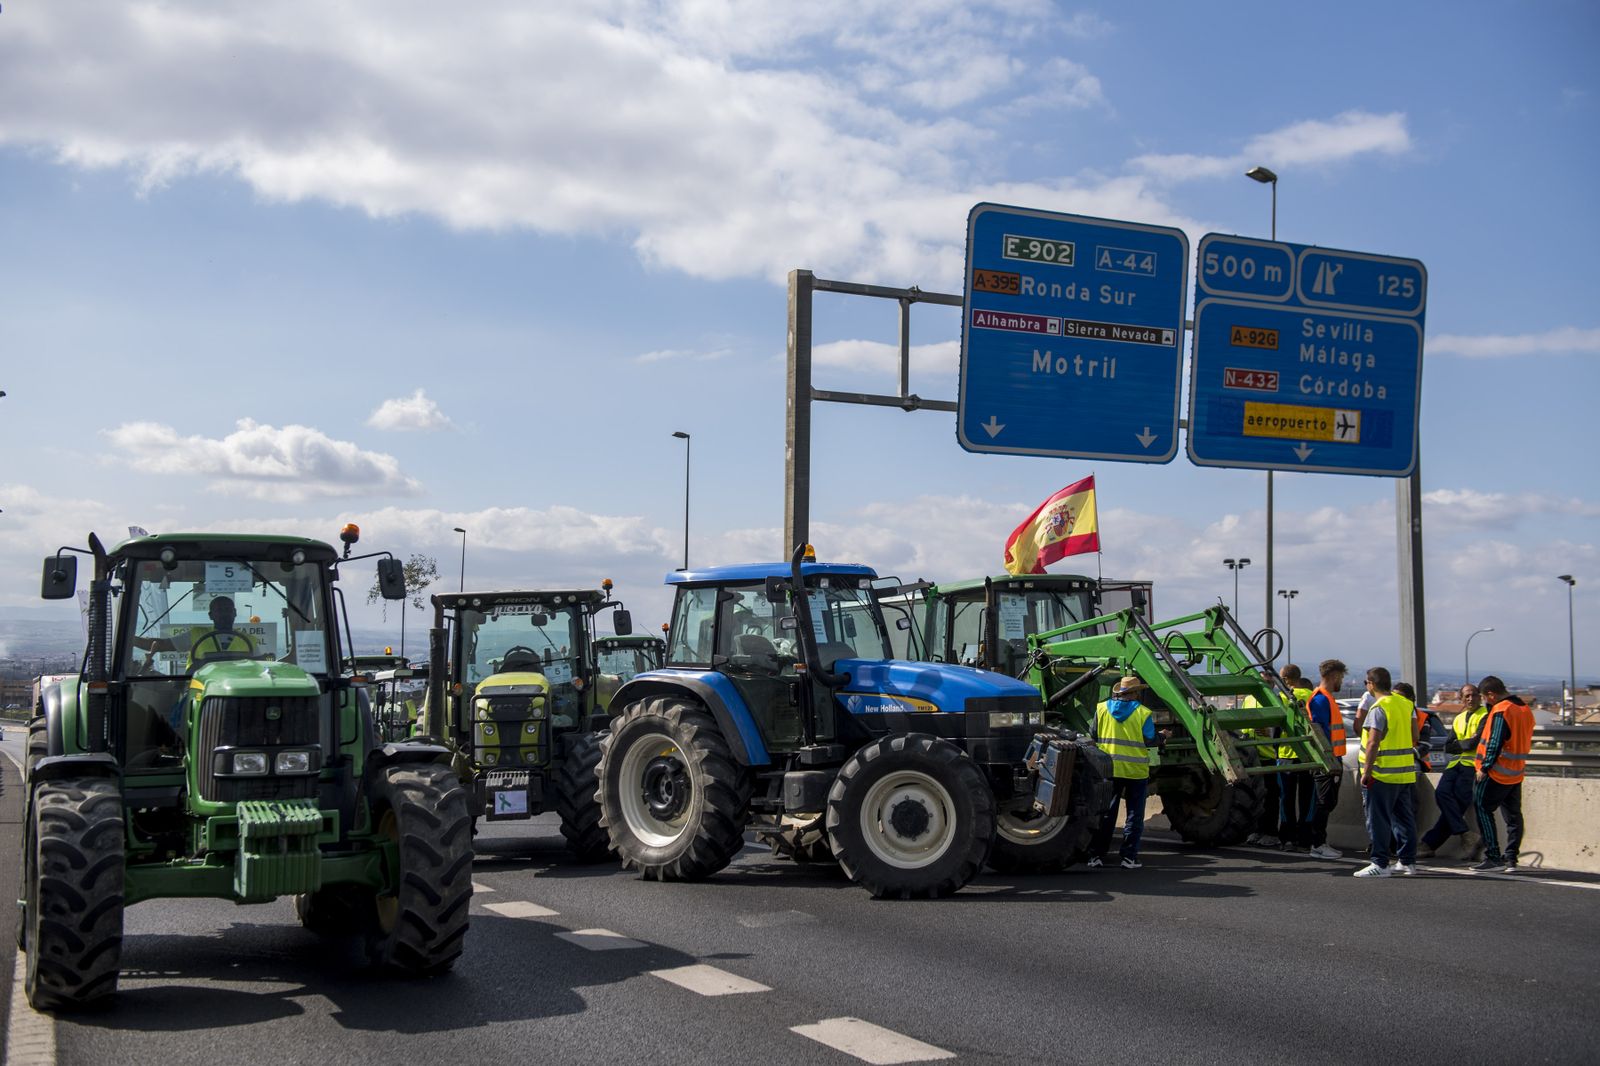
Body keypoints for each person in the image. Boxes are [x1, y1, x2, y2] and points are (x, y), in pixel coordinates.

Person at [1089, 676, 1167, 870]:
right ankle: (1129, 857)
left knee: (1106, 813)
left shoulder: (1101, 709)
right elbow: (1150, 740)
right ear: (1135, 693)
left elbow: (1093, 734)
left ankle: (1096, 855)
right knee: (1134, 815)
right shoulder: (1142, 712)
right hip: (1135, 771)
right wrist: (1163, 737)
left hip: (1109, 769)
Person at [1353, 666, 1420, 877]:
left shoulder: (1379, 708)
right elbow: (1415, 735)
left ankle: (1380, 863)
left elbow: (1373, 743)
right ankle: (1407, 862)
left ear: (1372, 684)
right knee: (1404, 819)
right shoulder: (1406, 704)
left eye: (1366, 683)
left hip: (1381, 774)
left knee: (1378, 820)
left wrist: (1367, 771)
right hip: (1405, 773)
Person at [1470, 675, 1534, 873]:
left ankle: (1493, 857)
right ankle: (1511, 858)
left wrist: (1484, 767)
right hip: (1516, 771)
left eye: (1484, 697)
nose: (1484, 701)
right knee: (1513, 815)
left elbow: (1495, 741)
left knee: (1482, 808)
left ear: (1491, 695)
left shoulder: (1501, 710)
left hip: (1496, 772)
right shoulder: (1524, 709)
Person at [1419, 684, 1488, 858]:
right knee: (1441, 794)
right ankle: (1465, 833)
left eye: (1474, 695)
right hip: (1454, 764)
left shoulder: (1485, 716)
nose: (1470, 699)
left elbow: (1473, 744)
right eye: (1467, 696)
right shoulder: (1459, 718)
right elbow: (1448, 746)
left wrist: (1462, 744)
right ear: (1461, 698)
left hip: (1472, 766)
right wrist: (1465, 743)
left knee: (1457, 803)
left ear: (1480, 697)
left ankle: (1429, 844)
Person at [1302, 659, 1349, 859]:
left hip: (1332, 757)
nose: (1341, 682)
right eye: (1341, 677)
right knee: (1324, 802)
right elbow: (1319, 731)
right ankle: (1317, 844)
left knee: (1327, 801)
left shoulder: (1325, 698)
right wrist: (1329, 758)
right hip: (1326, 759)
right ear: (1333, 676)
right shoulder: (1321, 699)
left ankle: (1319, 842)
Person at [1274, 664, 1316, 850]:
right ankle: (1305, 838)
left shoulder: (1282, 697)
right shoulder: (1311, 696)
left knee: (1286, 799)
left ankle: (1287, 838)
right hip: (1308, 755)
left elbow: (1276, 726)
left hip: (1286, 755)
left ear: (1285, 680)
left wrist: (1275, 748)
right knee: (1306, 799)